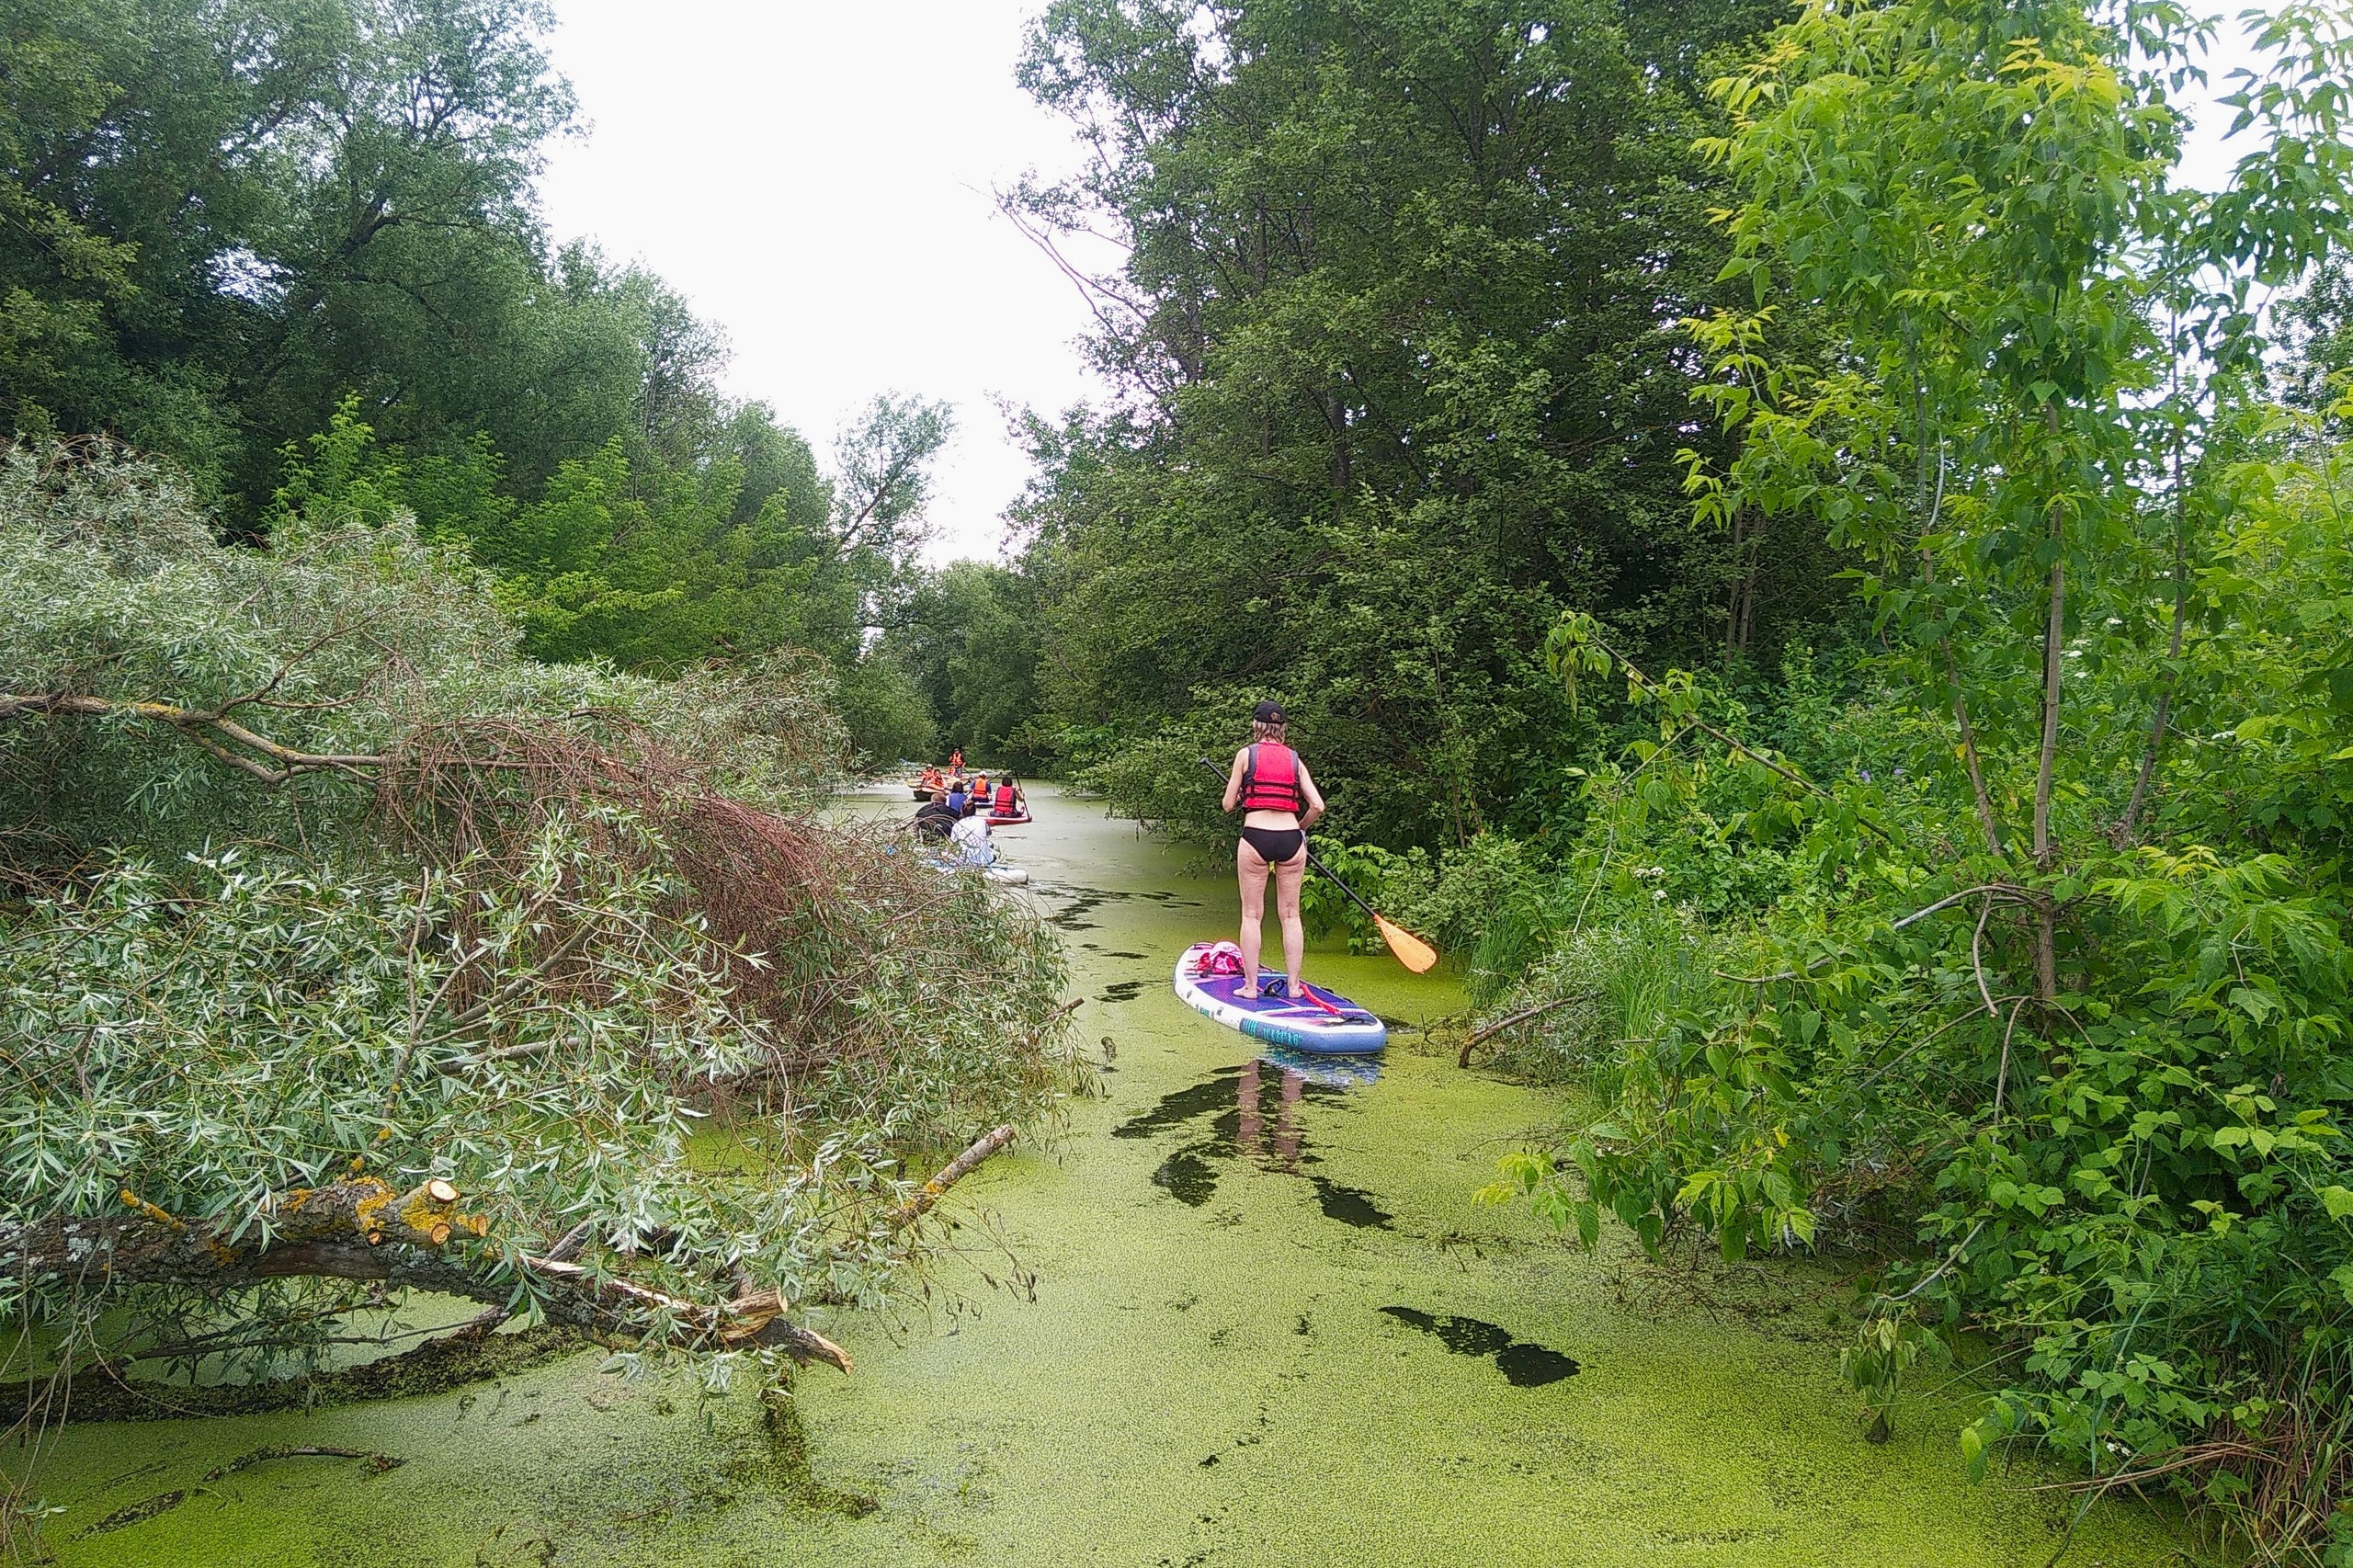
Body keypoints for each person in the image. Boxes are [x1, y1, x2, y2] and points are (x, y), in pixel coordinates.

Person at [1221, 699, 1324, 1000]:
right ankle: (1293, 987)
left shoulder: (1245, 755)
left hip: (1255, 838)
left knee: (1252, 915)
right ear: (1282, 729)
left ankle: (1251, 988)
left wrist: (1241, 797)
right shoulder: (1295, 759)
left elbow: (1227, 805)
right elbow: (1317, 805)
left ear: (1256, 726)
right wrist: (1301, 828)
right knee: (1291, 915)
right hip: (1291, 840)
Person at [949, 798, 994, 867]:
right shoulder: (982, 821)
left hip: (963, 861)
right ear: (975, 811)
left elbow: (952, 844)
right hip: (983, 861)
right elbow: (989, 833)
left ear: (962, 811)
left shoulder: (958, 824)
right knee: (991, 846)